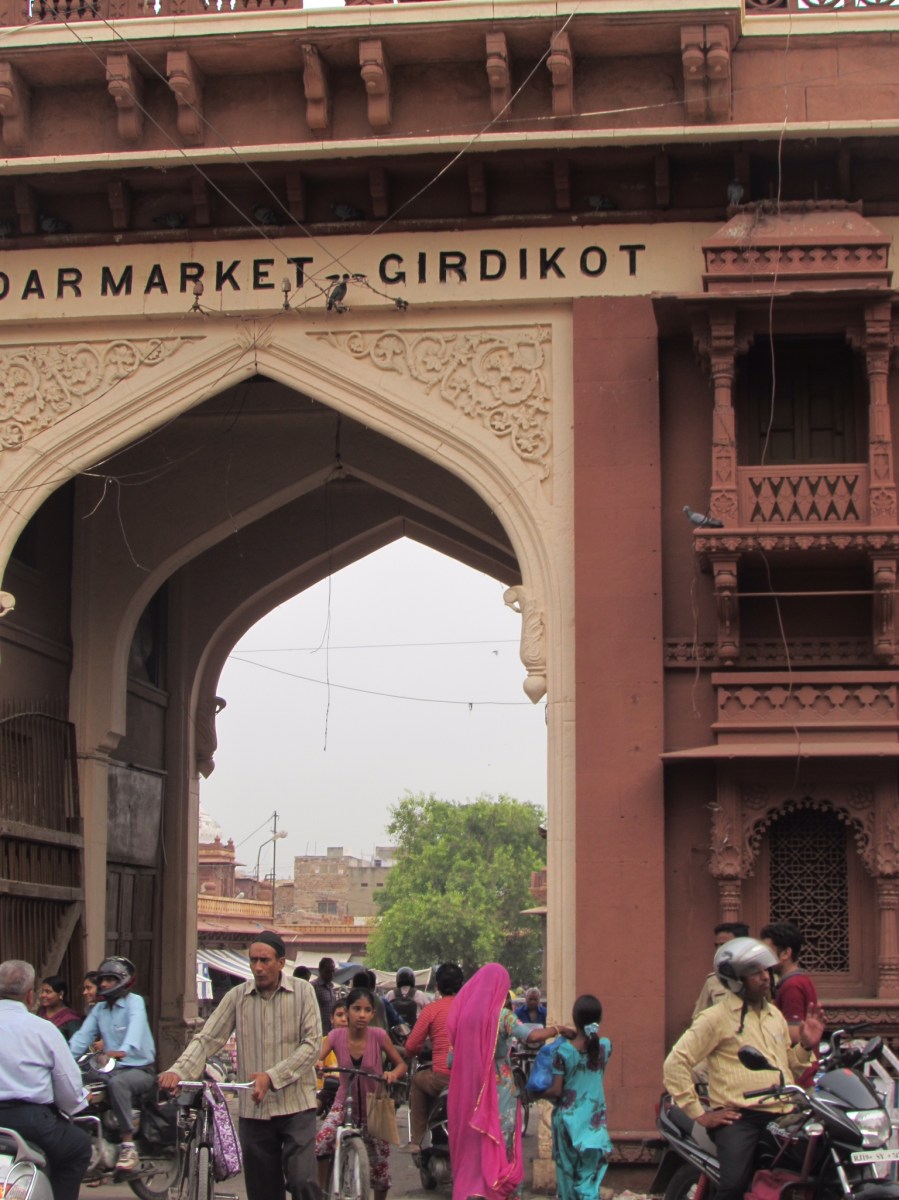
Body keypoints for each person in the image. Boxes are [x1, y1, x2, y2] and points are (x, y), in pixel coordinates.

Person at [159, 931, 322, 1200]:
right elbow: (207, 1038)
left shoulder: (303, 992)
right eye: (253, 960)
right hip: (254, 1111)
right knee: (262, 1191)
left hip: (296, 1106)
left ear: (281, 963)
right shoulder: (238, 997)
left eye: (265, 960)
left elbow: (312, 1045)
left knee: (302, 1179)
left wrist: (271, 1077)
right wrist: (178, 1071)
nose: (258, 967)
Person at [663, 937, 825, 1200]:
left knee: (815, 1167)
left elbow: (788, 1068)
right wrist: (701, 1115)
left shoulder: (775, 1016)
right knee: (734, 1185)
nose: (765, 977)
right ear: (736, 980)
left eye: (766, 971)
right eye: (755, 973)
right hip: (740, 1118)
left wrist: (806, 1045)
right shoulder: (715, 1018)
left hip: (783, 1114)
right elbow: (675, 1063)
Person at [447, 962, 573, 1200]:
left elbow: (451, 1061)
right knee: (501, 1139)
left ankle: (476, 1188)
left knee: (475, 1141)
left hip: (470, 1090)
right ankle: (499, 1188)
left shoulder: (463, 1017)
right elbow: (532, 1036)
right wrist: (559, 1029)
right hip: (499, 1089)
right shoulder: (502, 1016)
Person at [0, 959, 91, 1200]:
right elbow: (69, 1091)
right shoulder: (44, 1029)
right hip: (32, 1123)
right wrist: (77, 1103)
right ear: (30, 995)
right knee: (79, 1147)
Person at [315, 986, 407, 1200]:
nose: (362, 1015)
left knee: (380, 1168)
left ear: (373, 1014)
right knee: (322, 1141)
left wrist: (392, 1074)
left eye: (367, 1010)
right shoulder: (335, 1036)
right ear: (348, 1011)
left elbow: (401, 1064)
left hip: (375, 1107)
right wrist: (318, 1064)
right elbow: (318, 1057)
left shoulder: (379, 1036)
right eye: (357, 1009)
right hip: (343, 1103)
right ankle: (320, 1192)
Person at [69, 955, 157, 1173]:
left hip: (140, 1069)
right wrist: (63, 1059)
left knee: (118, 1084)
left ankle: (128, 1145)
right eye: (103, 980)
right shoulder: (99, 1010)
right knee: (81, 1082)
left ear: (124, 981)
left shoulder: (134, 1002)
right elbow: (82, 1038)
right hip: (112, 1067)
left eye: (110, 979)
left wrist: (122, 1051)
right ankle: (92, 1136)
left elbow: (135, 1030)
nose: (105, 984)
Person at [544, 994, 613, 1200]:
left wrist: (534, 1093)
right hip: (593, 1126)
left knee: (567, 1178)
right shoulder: (605, 1047)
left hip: (567, 1124)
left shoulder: (563, 1052)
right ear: (599, 1019)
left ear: (574, 1019)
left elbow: (556, 1091)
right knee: (589, 1181)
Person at [401, 961, 463, 1153]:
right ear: (461, 984)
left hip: (442, 1077)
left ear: (438, 986)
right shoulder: (470, 1009)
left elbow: (411, 1046)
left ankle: (417, 1141)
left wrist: (410, 1052)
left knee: (418, 1080)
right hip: (470, 1079)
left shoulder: (432, 1010)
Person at [760, 922, 818, 1044]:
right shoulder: (798, 980)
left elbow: (794, 1035)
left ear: (786, 953)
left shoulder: (792, 986)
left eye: (768, 952)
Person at [692, 922, 750, 1017]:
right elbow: (698, 1017)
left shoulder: (762, 978)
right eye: (717, 946)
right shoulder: (713, 981)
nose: (719, 950)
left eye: (724, 945)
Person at [38, 975, 82, 1041]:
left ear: (61, 994)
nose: (43, 995)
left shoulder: (71, 1019)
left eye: (48, 992)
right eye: (42, 991)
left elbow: (77, 1044)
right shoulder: (41, 1012)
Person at [313, 958, 337, 1034]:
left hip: (331, 1031)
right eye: (328, 971)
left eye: (333, 971)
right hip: (318, 1031)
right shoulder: (314, 986)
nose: (331, 974)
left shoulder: (331, 987)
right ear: (320, 970)